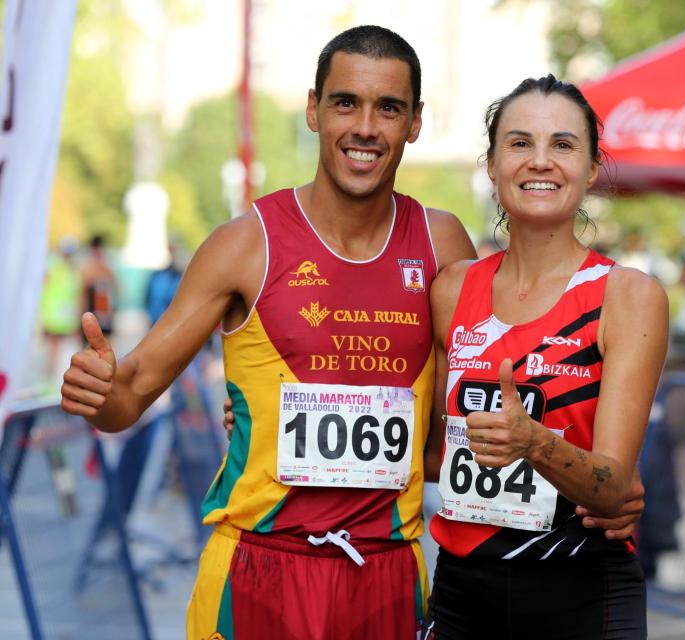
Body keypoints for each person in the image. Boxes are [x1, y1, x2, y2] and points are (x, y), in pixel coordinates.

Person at [63, 27, 641, 639]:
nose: (365, 127)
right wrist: (100, 394)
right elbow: (129, 397)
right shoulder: (245, 244)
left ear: (415, 122)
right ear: (313, 109)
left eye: (388, 108)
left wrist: (598, 482)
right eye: (345, 103)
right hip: (258, 568)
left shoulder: (443, 246)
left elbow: (461, 426)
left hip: (386, 576)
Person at [423, 75, 668, 638]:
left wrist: (532, 441)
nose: (540, 162)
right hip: (463, 593)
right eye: (519, 143)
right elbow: (432, 454)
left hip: (582, 594)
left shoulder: (627, 296)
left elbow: (611, 486)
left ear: (590, 166)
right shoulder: (451, 289)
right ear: (491, 164)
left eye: (562, 145)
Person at [40, 237, 82, 384]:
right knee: (53, 351)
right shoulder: (54, 265)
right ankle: (47, 383)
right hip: (53, 318)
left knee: (62, 352)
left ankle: (53, 382)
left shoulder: (72, 270)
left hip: (65, 319)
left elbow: (75, 295)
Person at [79, 234, 117, 342]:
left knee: (105, 344)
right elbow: (82, 295)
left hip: (103, 314)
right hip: (91, 312)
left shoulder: (106, 268)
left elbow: (115, 289)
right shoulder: (87, 269)